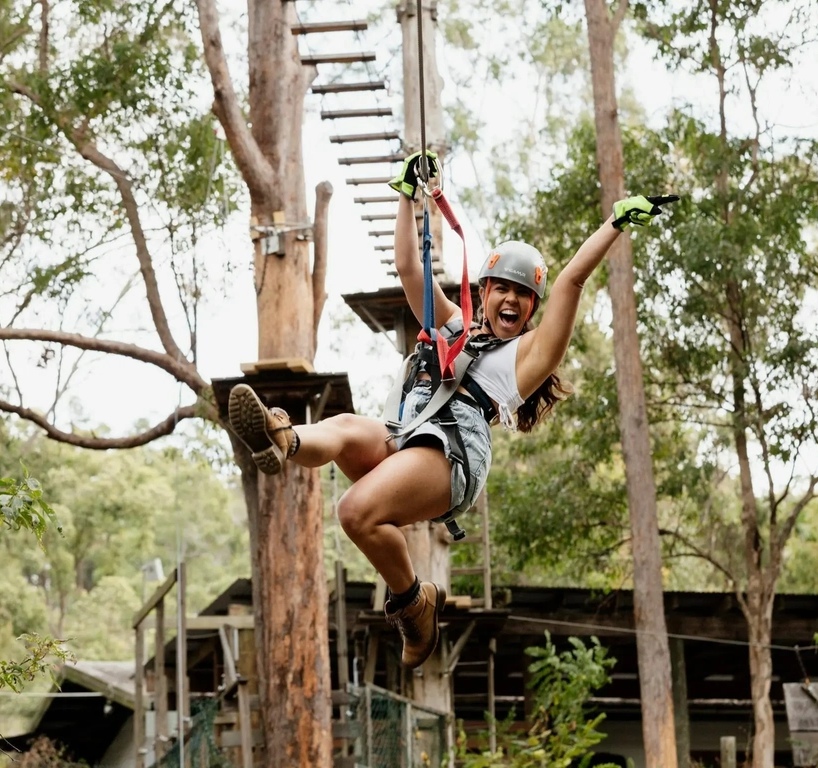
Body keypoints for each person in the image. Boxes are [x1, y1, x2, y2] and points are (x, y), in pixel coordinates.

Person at [226, 151, 675, 669]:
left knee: (353, 512)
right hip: (407, 433)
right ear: (483, 294)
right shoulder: (456, 325)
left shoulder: (527, 358)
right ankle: (283, 440)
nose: (510, 300)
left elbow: (571, 281)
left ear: (532, 308)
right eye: (501, 288)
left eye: (523, 295)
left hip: (453, 455)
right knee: (347, 428)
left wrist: (614, 223)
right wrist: (406, 193)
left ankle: (415, 601)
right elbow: (407, 269)